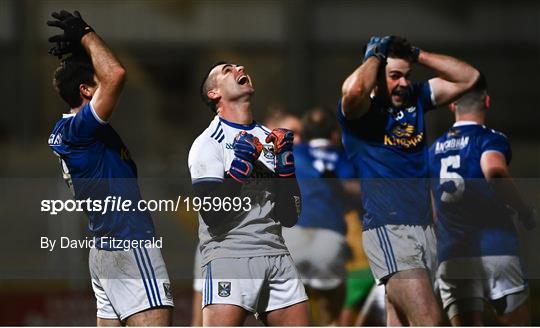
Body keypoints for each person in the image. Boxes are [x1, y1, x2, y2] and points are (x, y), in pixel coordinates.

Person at [338, 35, 480, 325]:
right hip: (389, 227)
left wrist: (419, 55)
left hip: (424, 228)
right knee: (429, 318)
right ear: (376, 74)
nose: (403, 83)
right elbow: (353, 91)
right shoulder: (360, 113)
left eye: (406, 75)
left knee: (401, 320)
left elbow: (470, 78)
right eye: (394, 76)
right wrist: (374, 56)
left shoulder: (417, 98)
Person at [46, 10, 173, 325]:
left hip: (105, 251)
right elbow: (115, 74)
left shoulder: (71, 132)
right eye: (94, 81)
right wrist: (86, 33)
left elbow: (103, 76)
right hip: (129, 244)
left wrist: (79, 56)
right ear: (86, 91)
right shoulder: (82, 129)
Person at [188, 62, 309, 326]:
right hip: (230, 256)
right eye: (227, 70)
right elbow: (212, 216)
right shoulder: (208, 143)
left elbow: (289, 217)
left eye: (237, 66)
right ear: (214, 93)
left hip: (277, 253)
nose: (239, 67)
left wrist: (287, 171)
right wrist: (239, 170)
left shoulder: (270, 138)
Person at [429, 75, 536, 326]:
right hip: (495, 248)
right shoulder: (489, 138)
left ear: (452, 105)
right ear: (487, 102)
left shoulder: (432, 150)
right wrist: (523, 210)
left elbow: (432, 210)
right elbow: (494, 170)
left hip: (453, 253)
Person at [281, 108, 356, 325]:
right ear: (334, 134)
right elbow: (356, 195)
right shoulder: (344, 157)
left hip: (292, 237)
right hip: (329, 237)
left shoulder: (291, 153)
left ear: (303, 134)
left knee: (291, 312)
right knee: (329, 313)